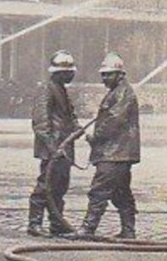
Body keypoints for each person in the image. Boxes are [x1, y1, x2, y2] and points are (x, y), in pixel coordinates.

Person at [78, 52, 142, 240]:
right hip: (120, 153)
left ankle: (88, 229)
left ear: (120, 74)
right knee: (121, 193)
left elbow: (114, 120)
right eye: (103, 74)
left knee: (99, 190)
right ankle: (128, 231)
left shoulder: (122, 93)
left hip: (114, 153)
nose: (104, 78)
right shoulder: (119, 92)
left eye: (109, 74)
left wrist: (95, 137)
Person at [29, 49, 80, 237]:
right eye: (69, 72)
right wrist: (53, 147)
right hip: (54, 148)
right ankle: (34, 223)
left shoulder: (62, 90)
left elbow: (69, 116)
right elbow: (41, 123)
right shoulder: (46, 89)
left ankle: (57, 222)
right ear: (60, 73)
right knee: (46, 184)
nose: (72, 75)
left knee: (60, 186)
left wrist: (76, 127)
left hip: (64, 147)